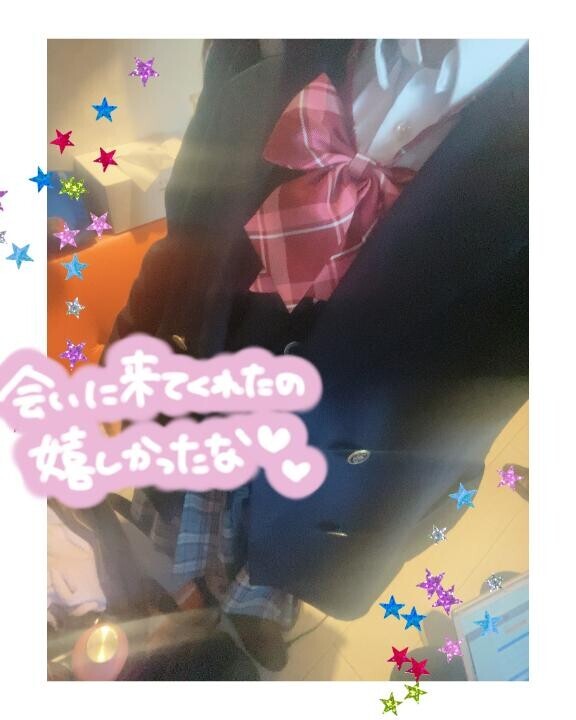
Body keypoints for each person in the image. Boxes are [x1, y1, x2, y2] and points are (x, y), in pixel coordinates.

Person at [105, 39, 528, 670]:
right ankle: (186, 599)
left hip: (343, 468)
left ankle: (253, 619)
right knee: (178, 524)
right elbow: (188, 222)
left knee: (283, 561)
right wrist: (133, 337)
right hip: (201, 393)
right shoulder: (266, 34)